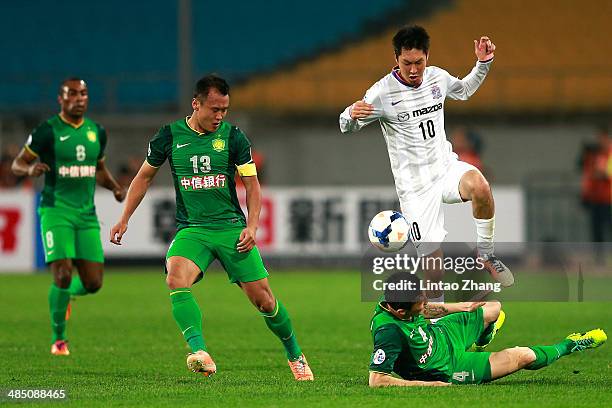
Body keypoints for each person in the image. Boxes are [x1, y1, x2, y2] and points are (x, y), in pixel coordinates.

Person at [109, 74, 313, 380]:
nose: (219, 116)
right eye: (214, 109)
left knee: (265, 301)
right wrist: (124, 217)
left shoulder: (234, 138)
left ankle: (295, 354)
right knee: (176, 278)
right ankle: (199, 352)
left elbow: (252, 185)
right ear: (196, 104)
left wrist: (253, 226)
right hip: (193, 229)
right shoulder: (169, 136)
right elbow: (144, 177)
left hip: (232, 228)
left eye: (224, 110)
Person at [339, 26, 513, 301]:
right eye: (407, 63)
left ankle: (487, 254)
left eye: (419, 62)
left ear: (427, 56)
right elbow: (346, 125)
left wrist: (483, 63)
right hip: (415, 188)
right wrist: (350, 114)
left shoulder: (437, 77)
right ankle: (435, 328)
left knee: (480, 186)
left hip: (445, 168)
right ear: (396, 59)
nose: (413, 69)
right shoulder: (382, 92)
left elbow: (465, 90)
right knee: (434, 270)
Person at [11, 78, 126, 356]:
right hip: (55, 210)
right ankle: (59, 338)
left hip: (86, 215)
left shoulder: (96, 132)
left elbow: (98, 169)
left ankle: (68, 296)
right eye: (72, 94)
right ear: (60, 100)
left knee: (94, 283)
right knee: (61, 274)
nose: (79, 98)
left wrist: (114, 187)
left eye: (83, 93)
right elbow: (17, 164)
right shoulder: (47, 131)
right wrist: (29, 171)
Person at [368, 274, 607, 386]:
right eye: (420, 302)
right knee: (523, 356)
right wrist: (429, 386)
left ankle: (483, 338)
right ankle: (571, 344)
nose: (424, 302)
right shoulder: (388, 333)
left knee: (493, 308)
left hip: (443, 333)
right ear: (399, 313)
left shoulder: (395, 296)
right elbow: (377, 381)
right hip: (449, 366)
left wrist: (458, 307)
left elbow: (425, 310)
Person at [579, 127, 611, 263]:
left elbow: (606, 173)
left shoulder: (609, 154)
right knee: (596, 230)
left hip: (609, 199)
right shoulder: (594, 155)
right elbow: (584, 170)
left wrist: (600, 173)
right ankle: (599, 258)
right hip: (595, 198)